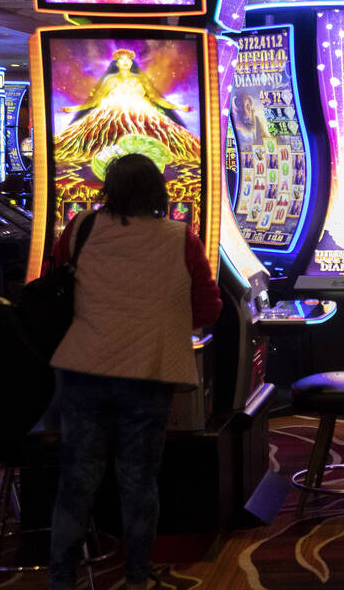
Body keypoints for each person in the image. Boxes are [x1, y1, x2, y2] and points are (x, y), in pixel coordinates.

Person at [48, 153, 221, 590]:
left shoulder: (80, 227)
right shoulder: (180, 236)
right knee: (139, 479)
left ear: (108, 189)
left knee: (77, 478)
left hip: (83, 368)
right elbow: (208, 306)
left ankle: (62, 578)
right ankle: (137, 576)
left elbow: (53, 285)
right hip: (146, 372)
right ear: (159, 193)